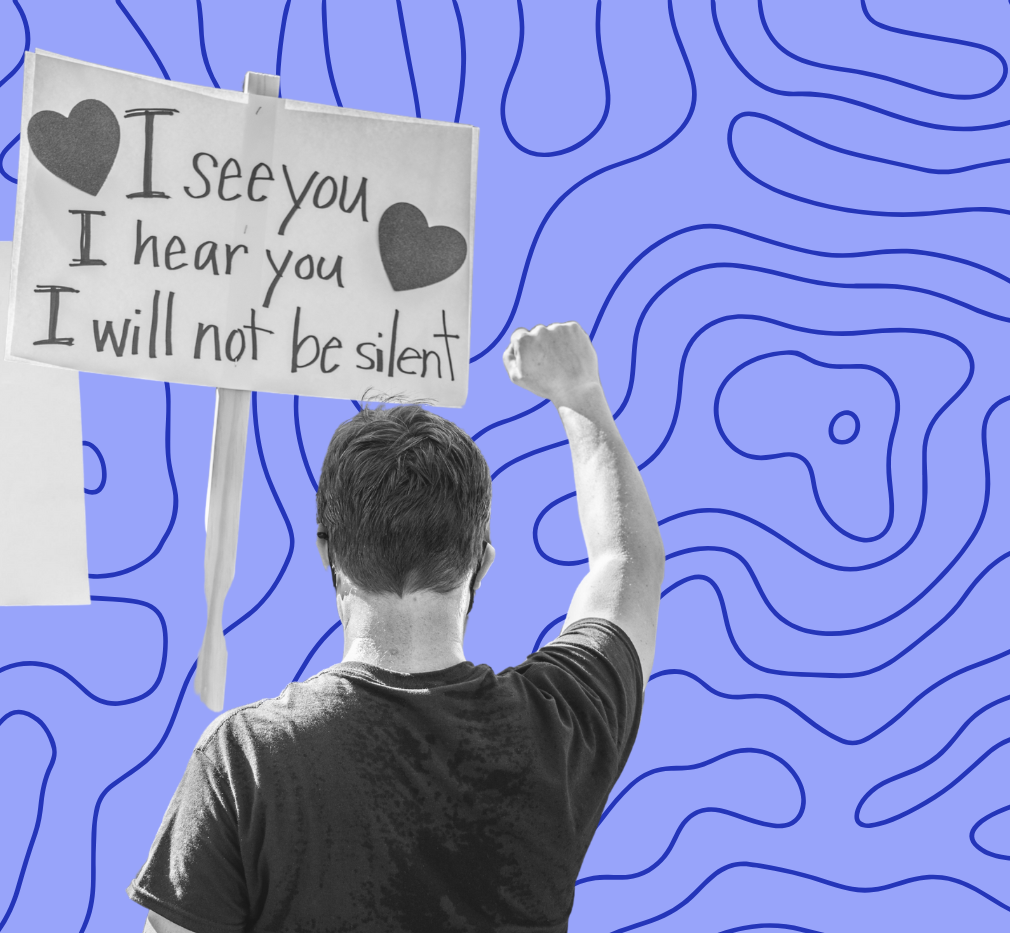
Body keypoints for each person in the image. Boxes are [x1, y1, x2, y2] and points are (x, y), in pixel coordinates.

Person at [129, 322, 664, 931]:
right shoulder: (559, 728)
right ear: (480, 563)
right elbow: (629, 563)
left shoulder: (246, 759)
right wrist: (579, 392)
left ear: (327, 555)